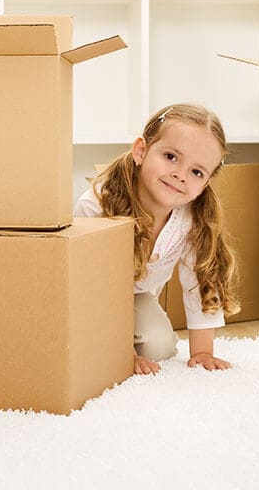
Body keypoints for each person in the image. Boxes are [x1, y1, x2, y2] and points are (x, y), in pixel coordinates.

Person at [75, 104, 240, 375]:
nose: (180, 175)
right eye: (171, 156)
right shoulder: (97, 205)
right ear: (141, 151)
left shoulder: (192, 218)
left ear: (206, 184)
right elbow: (95, 289)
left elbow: (200, 282)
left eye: (197, 172)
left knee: (160, 346)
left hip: (135, 297)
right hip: (88, 297)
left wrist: (202, 352)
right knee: (89, 343)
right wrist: (122, 355)